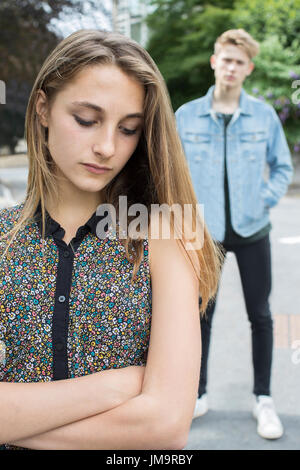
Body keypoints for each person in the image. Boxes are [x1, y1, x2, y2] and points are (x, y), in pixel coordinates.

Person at [0, 30, 221, 450]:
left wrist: (15, 420)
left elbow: (165, 426)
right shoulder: (2, 239)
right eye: (86, 119)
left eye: (129, 129)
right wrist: (117, 387)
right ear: (43, 109)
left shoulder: (166, 235)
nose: (106, 147)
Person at [176, 29, 293, 440]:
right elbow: (170, 173)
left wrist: (263, 199)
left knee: (260, 315)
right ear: (214, 61)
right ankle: (197, 393)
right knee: (199, 316)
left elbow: (282, 167)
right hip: (204, 234)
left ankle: (263, 398)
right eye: (225, 59)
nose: (230, 67)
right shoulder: (186, 116)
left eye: (239, 62)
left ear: (248, 69)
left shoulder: (262, 116)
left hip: (252, 228)